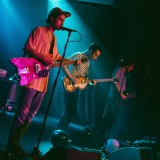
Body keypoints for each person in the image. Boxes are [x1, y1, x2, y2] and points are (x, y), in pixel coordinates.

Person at [4, 7, 72, 158]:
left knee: (31, 114)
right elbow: (28, 48)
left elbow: (56, 56)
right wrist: (43, 58)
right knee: (23, 111)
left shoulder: (54, 39)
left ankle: (16, 142)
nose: (62, 22)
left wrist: (72, 61)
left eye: (63, 20)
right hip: (32, 77)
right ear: (52, 17)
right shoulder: (39, 30)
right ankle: (11, 144)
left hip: (43, 81)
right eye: (60, 19)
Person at [84, 59, 135, 147]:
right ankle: (93, 128)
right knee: (108, 118)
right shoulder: (119, 70)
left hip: (118, 99)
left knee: (111, 120)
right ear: (128, 65)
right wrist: (121, 93)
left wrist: (127, 95)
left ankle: (99, 137)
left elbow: (122, 87)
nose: (132, 68)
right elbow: (114, 80)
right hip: (113, 98)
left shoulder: (125, 75)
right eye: (132, 66)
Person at [56, 43, 102, 134]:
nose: (95, 58)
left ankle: (61, 132)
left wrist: (91, 82)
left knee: (71, 111)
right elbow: (63, 63)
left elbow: (82, 78)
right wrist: (71, 77)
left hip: (75, 87)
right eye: (95, 55)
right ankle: (58, 133)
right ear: (91, 50)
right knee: (69, 110)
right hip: (68, 83)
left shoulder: (87, 61)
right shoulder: (78, 55)